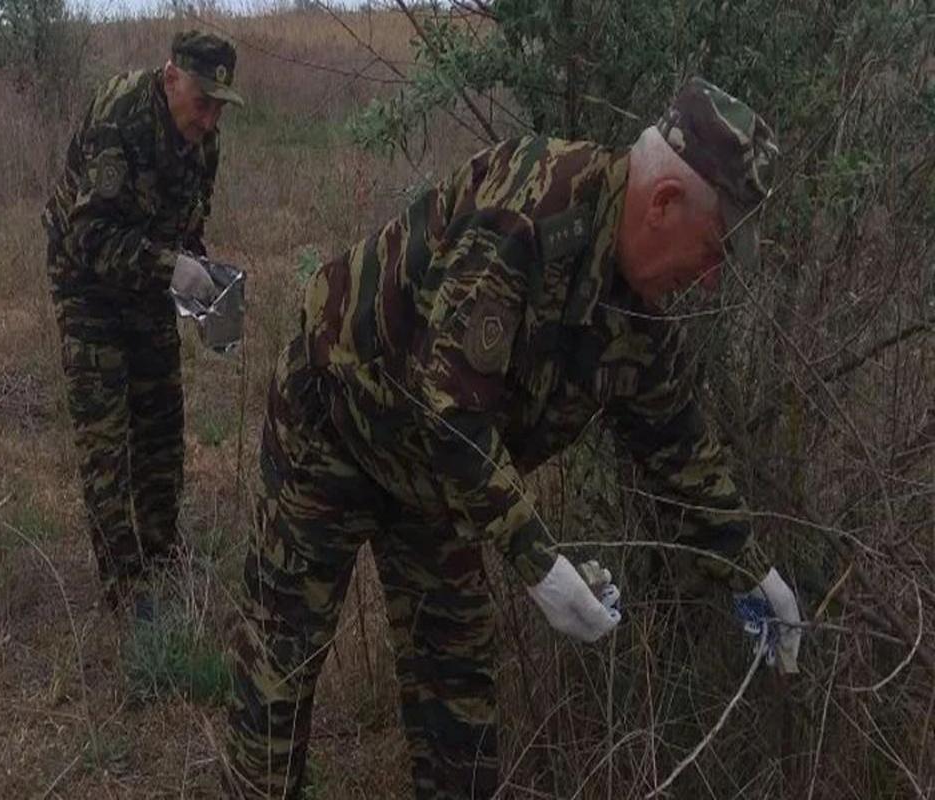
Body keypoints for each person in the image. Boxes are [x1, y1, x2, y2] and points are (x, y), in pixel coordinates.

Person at [223, 78, 801, 799]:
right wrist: (540, 563)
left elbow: (674, 443)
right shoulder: (530, 211)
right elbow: (448, 412)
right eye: (714, 250)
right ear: (663, 204)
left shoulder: (643, 301)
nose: (711, 280)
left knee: (456, 683)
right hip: (337, 418)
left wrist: (752, 570)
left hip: (444, 476)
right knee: (285, 651)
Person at [41, 30, 244, 617]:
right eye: (202, 102)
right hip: (86, 286)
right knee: (106, 438)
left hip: (148, 283)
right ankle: (126, 589)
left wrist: (206, 285)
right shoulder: (120, 117)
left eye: (219, 107)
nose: (209, 120)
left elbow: (184, 227)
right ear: (171, 77)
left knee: (161, 418)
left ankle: (162, 552)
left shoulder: (204, 140)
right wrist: (172, 268)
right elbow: (89, 236)